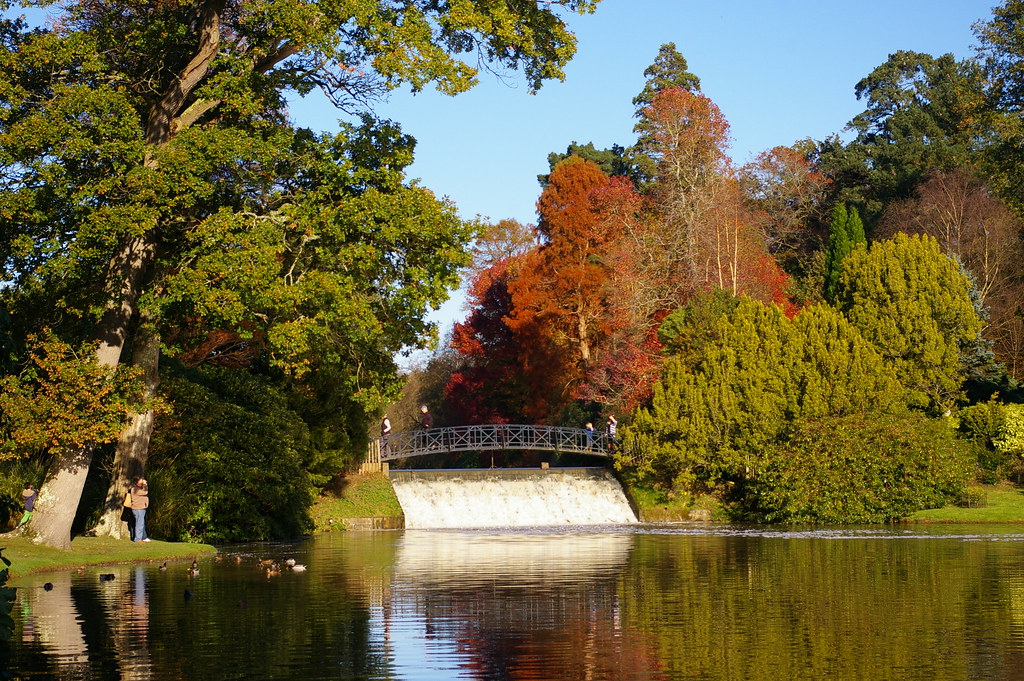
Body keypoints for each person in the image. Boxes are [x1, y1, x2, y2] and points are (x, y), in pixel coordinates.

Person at [128, 476, 151, 542]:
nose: (143, 481)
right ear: (137, 482)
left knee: (141, 523)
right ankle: (137, 539)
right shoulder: (134, 489)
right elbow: (145, 492)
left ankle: (143, 537)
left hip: (141, 508)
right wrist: (145, 485)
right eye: (141, 480)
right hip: (138, 508)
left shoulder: (138, 488)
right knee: (139, 524)